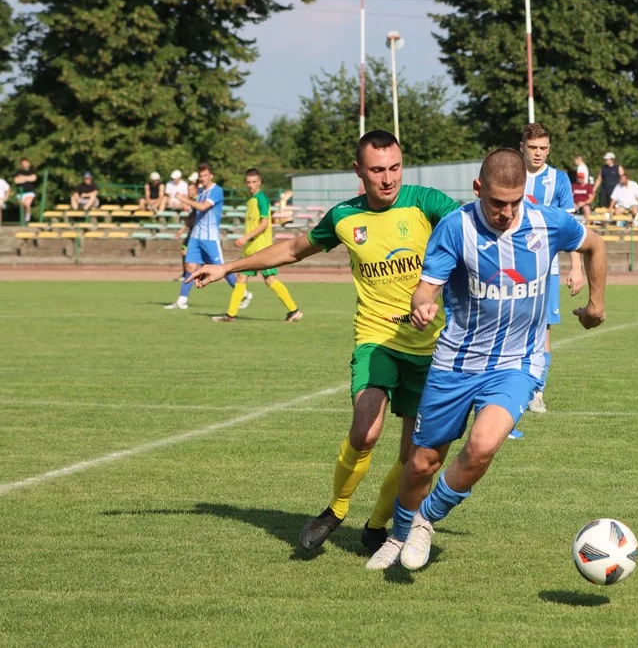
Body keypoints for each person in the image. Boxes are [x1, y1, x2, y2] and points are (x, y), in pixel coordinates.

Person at [187, 130, 459, 555]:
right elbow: (293, 249)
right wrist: (228, 266)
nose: (388, 179)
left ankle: (378, 523)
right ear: (358, 171)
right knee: (365, 429)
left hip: (431, 347)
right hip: (376, 339)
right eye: (376, 170)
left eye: (394, 168)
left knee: (414, 455)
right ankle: (336, 509)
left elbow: (474, 232)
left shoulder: (428, 203)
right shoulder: (345, 217)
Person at [364, 148, 607, 571]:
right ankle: (398, 533)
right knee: (422, 463)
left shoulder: (546, 222)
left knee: (481, 446)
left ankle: (425, 521)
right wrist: (422, 305)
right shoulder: (455, 228)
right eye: (497, 202)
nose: (506, 212)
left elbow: (595, 244)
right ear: (479, 189)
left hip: (519, 361)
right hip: (456, 362)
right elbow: (426, 288)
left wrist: (596, 305)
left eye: (514, 202)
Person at [519, 122, 584, 418]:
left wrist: (577, 267)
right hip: (511, 266)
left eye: (543, 148)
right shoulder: (511, 173)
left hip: (547, 269)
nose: (538, 153)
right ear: (522, 147)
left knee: (543, 330)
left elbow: (570, 228)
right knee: (510, 326)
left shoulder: (558, 179)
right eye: (533, 148)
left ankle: (537, 392)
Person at [212, 168, 302, 323]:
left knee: (267, 279)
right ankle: (231, 314)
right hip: (251, 247)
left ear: (259, 182)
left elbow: (264, 223)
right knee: (245, 277)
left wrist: (244, 237)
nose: (251, 185)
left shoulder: (261, 199)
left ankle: (293, 310)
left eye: (254, 182)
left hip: (261, 247)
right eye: (248, 182)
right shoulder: (251, 200)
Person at [164, 163, 239, 309]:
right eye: (201, 176)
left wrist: (183, 199)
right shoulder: (201, 192)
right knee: (190, 266)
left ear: (211, 175)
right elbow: (195, 211)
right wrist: (186, 211)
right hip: (196, 236)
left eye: (205, 175)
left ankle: (242, 293)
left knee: (221, 268)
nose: (203, 178)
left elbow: (203, 207)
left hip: (209, 237)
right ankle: (182, 300)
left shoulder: (216, 191)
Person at [13, 158, 37, 223]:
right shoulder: (18, 171)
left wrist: (22, 177)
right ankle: (24, 219)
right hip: (20, 193)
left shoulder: (32, 171)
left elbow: (33, 178)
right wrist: (28, 178)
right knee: (23, 206)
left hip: (29, 192)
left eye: (26, 162)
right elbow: (16, 181)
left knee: (27, 204)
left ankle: (27, 217)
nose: (25, 164)